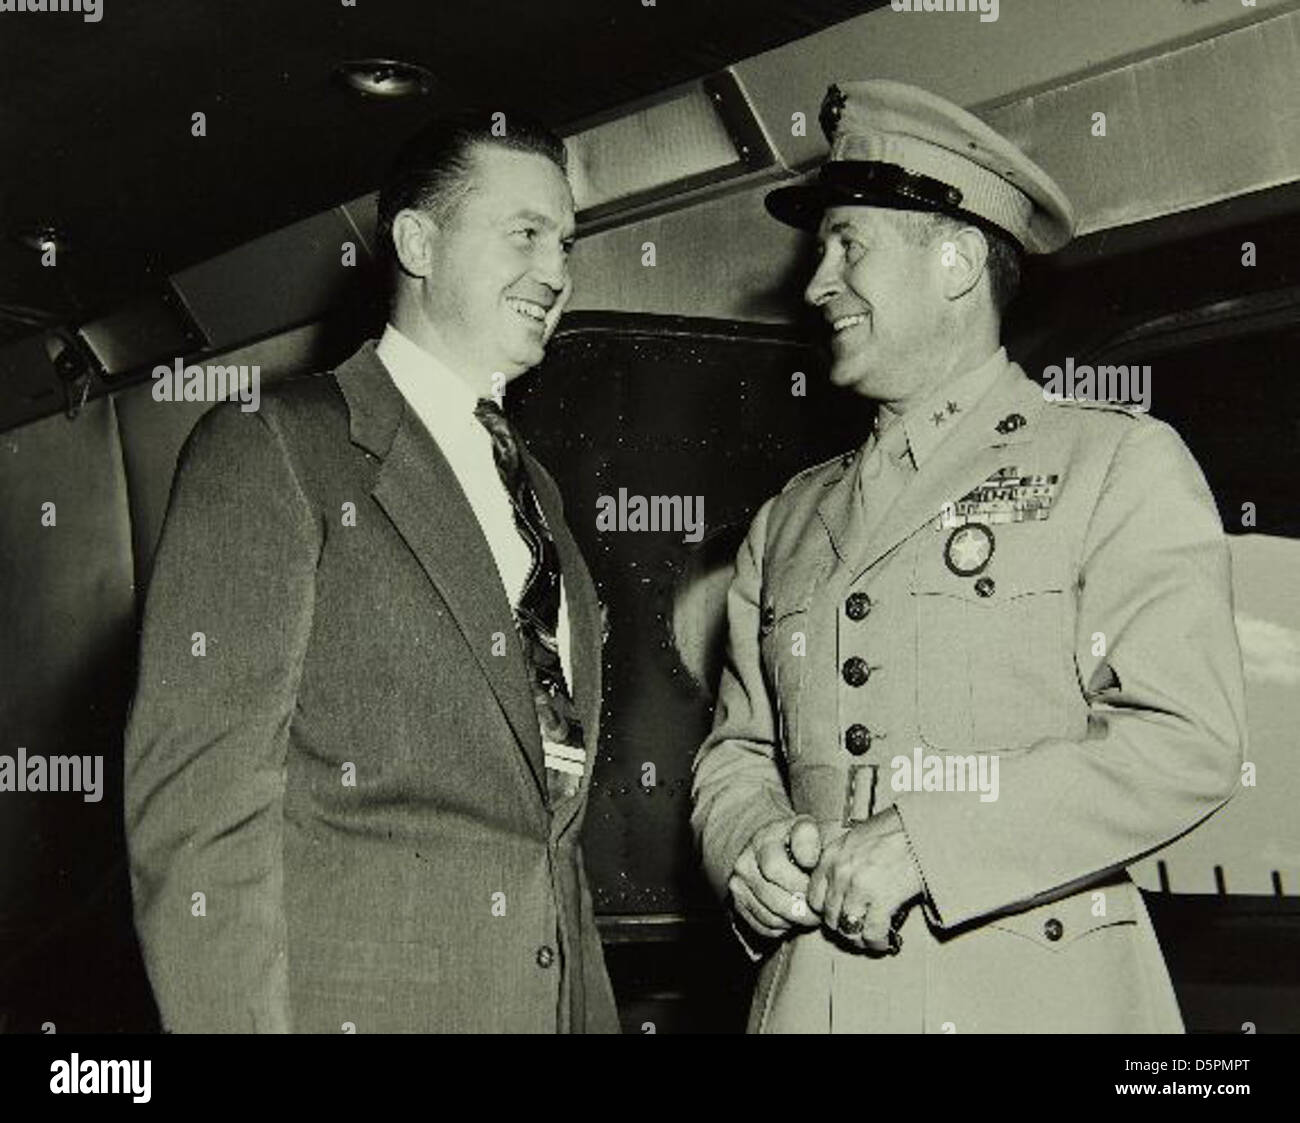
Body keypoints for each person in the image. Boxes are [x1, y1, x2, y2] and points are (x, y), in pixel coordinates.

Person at [691, 79, 1245, 1033]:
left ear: (954, 263)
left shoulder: (1112, 463)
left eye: (847, 243)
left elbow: (1186, 737)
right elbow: (738, 749)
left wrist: (930, 844)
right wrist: (750, 843)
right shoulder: (788, 518)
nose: (817, 282)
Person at [125, 109, 619, 1033]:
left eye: (566, 242)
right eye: (524, 233)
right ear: (418, 241)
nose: (556, 274)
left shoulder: (539, 495)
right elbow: (198, 818)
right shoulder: (273, 447)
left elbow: (549, 833)